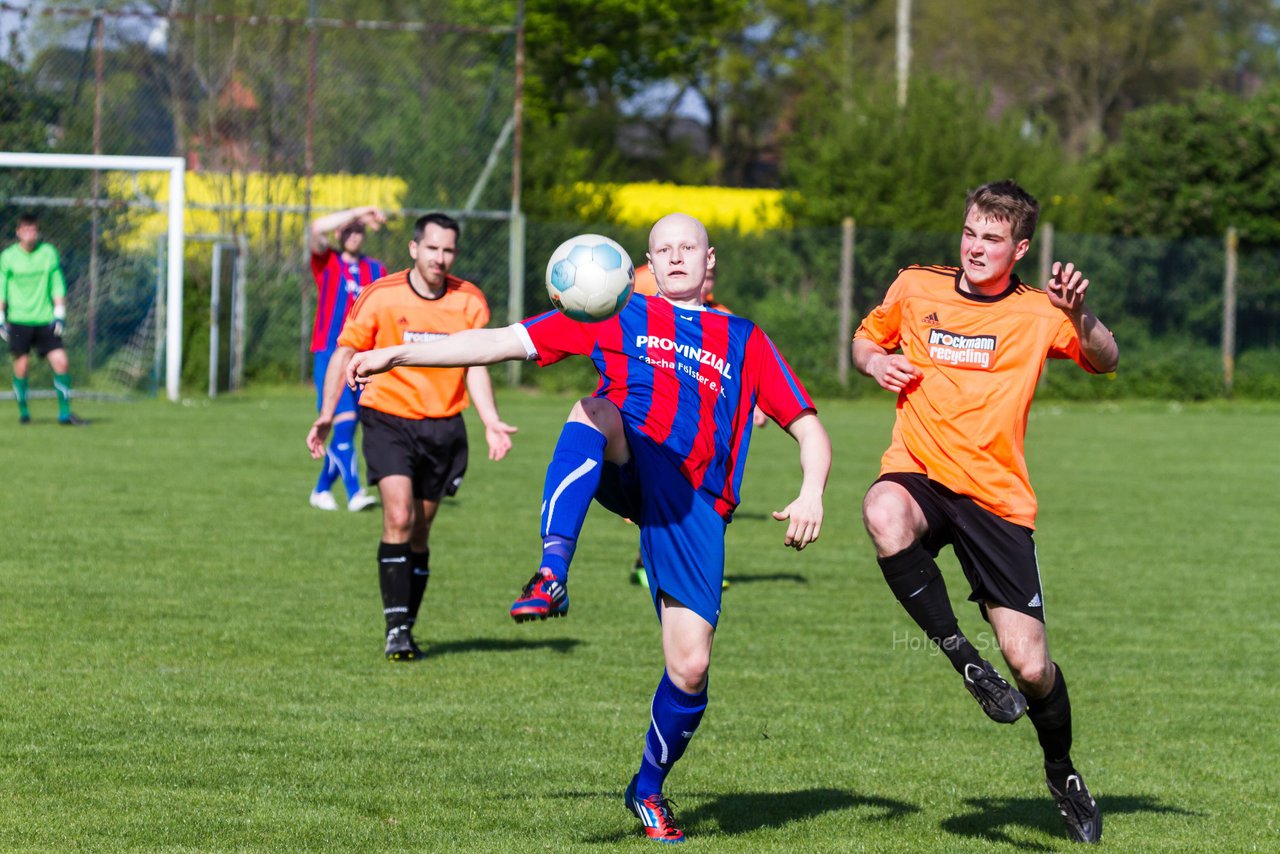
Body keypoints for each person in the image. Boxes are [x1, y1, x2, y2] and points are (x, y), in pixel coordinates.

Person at [347, 212, 831, 843]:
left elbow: (808, 426)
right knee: (593, 407)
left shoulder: (746, 339)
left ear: (710, 261)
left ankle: (648, 788)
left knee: (690, 667)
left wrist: (811, 491)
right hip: (631, 460)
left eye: (690, 248)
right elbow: (497, 341)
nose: (678, 257)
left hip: (695, 508)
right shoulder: (613, 312)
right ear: (647, 266)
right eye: (665, 249)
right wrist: (397, 353)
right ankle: (552, 571)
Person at [853, 180, 1118, 844]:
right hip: (920, 471)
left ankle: (1061, 771)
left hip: (997, 499)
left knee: (1030, 666)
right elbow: (865, 339)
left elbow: (1105, 359)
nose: (975, 247)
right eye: (970, 232)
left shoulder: (1041, 309)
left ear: (1019, 247)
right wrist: (874, 362)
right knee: (883, 511)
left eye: (992, 238)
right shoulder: (916, 286)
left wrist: (1081, 315)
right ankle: (964, 661)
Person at [306, 212, 517, 662]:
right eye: (433, 248)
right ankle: (396, 629)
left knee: (420, 532)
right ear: (414, 248)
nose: (440, 258)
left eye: (448, 250)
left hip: (443, 427)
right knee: (397, 516)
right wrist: (327, 412)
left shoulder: (469, 302)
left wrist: (491, 419)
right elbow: (346, 350)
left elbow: (475, 362)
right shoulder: (381, 296)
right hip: (388, 418)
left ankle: (407, 623)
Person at [307, 205, 387, 512]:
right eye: (349, 230)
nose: (355, 235)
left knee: (349, 430)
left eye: (359, 230)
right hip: (330, 354)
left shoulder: (376, 270)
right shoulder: (326, 262)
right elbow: (316, 229)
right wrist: (358, 213)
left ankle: (321, 489)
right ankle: (355, 493)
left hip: (363, 357)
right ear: (340, 232)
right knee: (344, 421)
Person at [0, 213, 84, 425]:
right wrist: (1, 316)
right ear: (18, 232)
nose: (30, 233)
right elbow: (1, 287)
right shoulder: (8, 257)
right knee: (21, 367)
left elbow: (57, 283)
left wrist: (59, 315)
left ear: (37, 232)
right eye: (25, 229)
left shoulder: (48, 253)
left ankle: (65, 414)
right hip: (19, 320)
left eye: (33, 230)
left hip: (45, 320)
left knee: (61, 362)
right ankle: (24, 412)